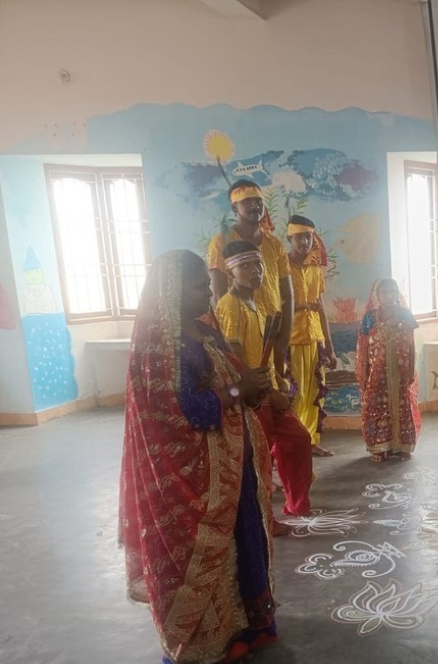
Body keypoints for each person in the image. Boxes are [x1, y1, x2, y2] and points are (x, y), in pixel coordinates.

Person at [119, 250, 278, 664]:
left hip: (233, 466)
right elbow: (184, 412)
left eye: (207, 285)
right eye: (197, 287)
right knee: (210, 554)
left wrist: (251, 388)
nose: (207, 293)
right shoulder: (162, 348)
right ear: (171, 292)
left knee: (245, 540)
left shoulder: (206, 331)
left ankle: (249, 626)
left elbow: (231, 384)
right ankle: (209, 640)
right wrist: (239, 389)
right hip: (196, 478)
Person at [215, 240, 313, 518]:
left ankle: (296, 505)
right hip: (253, 397)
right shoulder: (230, 305)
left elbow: (261, 355)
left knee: (298, 440)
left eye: (257, 264)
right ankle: (265, 521)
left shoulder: (255, 303)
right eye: (245, 266)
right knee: (260, 460)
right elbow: (234, 357)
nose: (255, 271)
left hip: (267, 390)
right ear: (231, 272)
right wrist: (269, 392)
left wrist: (277, 379)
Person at [207, 180, 293, 379]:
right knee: (248, 384)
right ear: (234, 207)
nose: (255, 206)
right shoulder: (221, 242)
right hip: (241, 332)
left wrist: (284, 339)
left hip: (273, 330)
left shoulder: (275, 244)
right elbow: (219, 295)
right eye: (247, 202)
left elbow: (288, 295)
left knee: (275, 387)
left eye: (258, 201)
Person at [286, 215, 337, 457]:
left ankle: (310, 441)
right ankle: (291, 445)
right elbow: (278, 307)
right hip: (292, 339)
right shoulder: (282, 268)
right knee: (295, 394)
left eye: (308, 237)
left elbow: (321, 309)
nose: (304, 242)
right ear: (290, 238)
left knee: (315, 392)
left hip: (315, 340)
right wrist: (303, 306)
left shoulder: (315, 269)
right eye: (299, 237)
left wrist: (330, 347)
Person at [356, 278, 421, 461]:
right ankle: (380, 446)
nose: (388, 296)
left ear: (396, 294)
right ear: (378, 295)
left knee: (402, 405)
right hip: (377, 371)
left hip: (400, 371)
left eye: (392, 292)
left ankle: (403, 446)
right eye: (384, 292)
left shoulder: (405, 315)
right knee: (377, 406)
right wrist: (365, 373)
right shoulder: (370, 318)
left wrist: (410, 370)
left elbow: (411, 345)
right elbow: (364, 348)